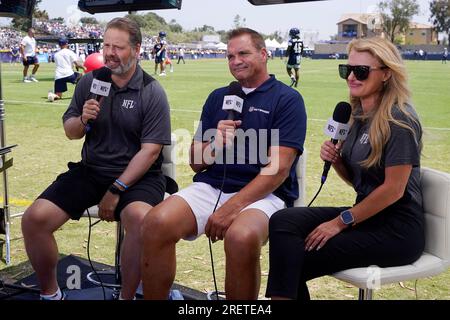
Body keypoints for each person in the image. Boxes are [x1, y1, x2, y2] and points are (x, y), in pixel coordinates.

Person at [141, 27, 307, 300]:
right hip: (212, 186)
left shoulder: (287, 99)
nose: (235, 61)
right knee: (155, 222)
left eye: (243, 53)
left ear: (264, 54)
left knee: (240, 237)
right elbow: (195, 163)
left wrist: (231, 208)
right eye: (230, 56)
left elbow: (277, 170)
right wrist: (215, 142)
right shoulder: (219, 97)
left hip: (265, 195)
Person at [21, 17, 171, 300]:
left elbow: (150, 151)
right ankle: (51, 294)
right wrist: (83, 119)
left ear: (137, 49)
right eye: (106, 46)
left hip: (139, 176)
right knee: (34, 219)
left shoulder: (152, 91)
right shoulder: (90, 81)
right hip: (91, 170)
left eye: (119, 47)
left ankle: (126, 297)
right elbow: (70, 132)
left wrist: (116, 190)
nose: (110, 53)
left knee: (139, 220)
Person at [266, 36, 424, 300]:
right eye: (346, 70)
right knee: (283, 220)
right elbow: (359, 182)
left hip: (398, 229)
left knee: (294, 258)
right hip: (368, 216)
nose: (351, 76)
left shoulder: (400, 119)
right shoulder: (357, 114)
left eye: (360, 71)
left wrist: (340, 222)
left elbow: (393, 190)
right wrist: (337, 161)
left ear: (386, 74)